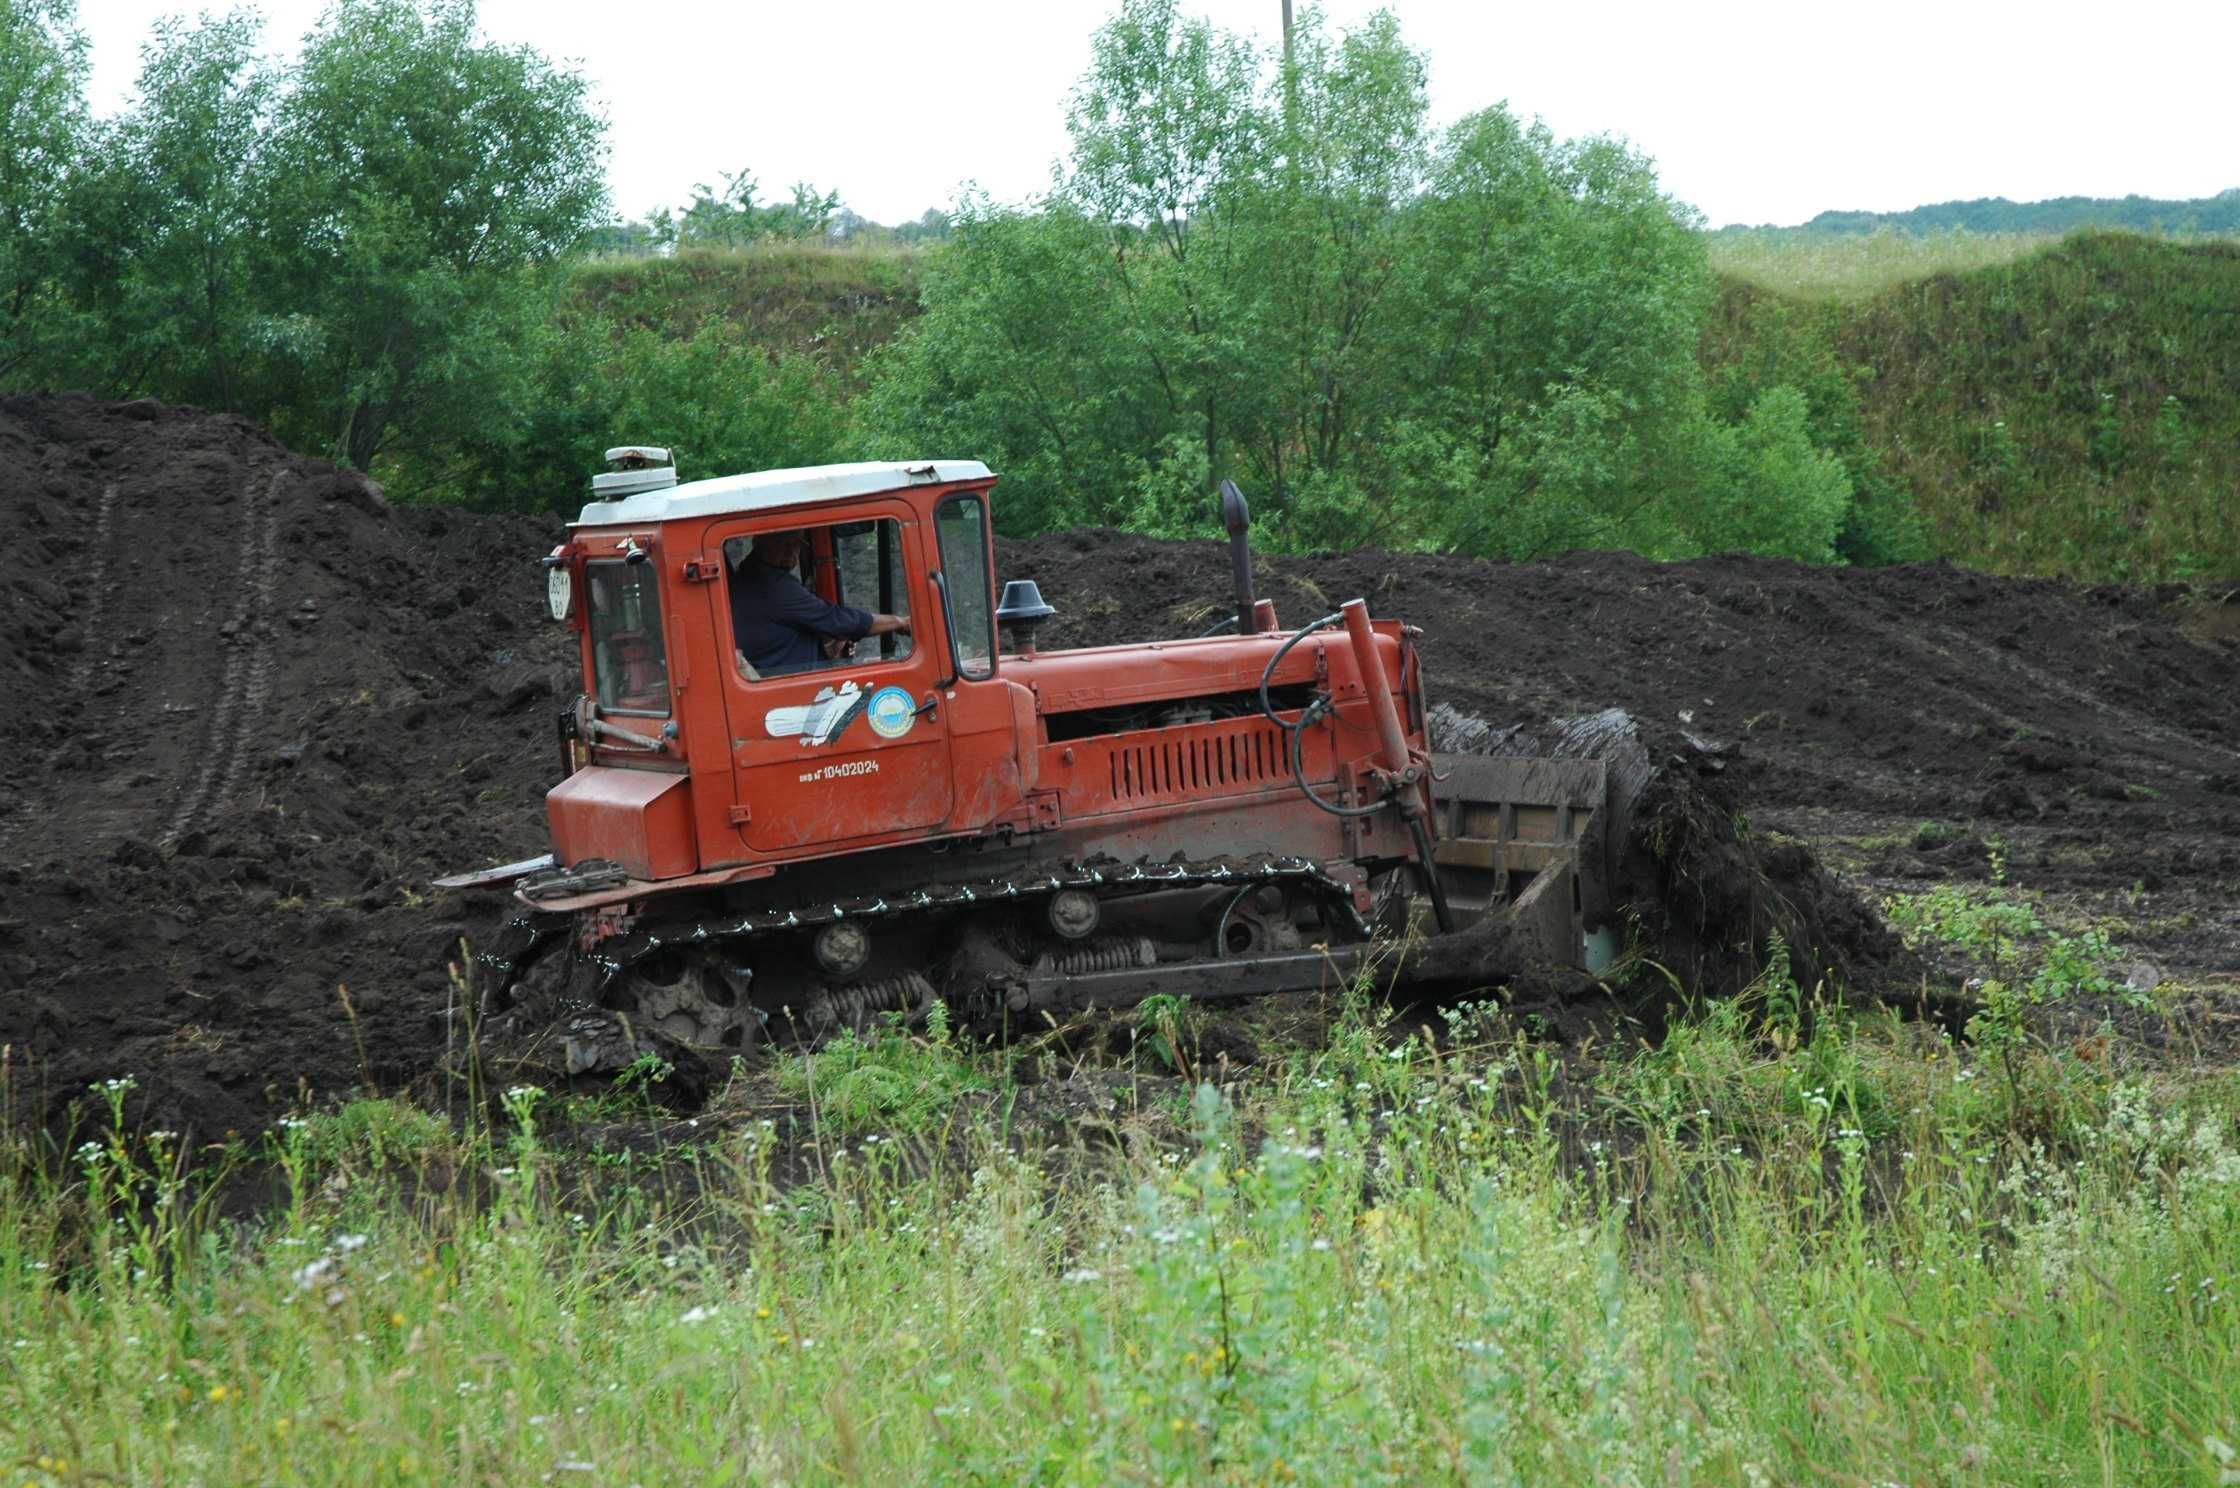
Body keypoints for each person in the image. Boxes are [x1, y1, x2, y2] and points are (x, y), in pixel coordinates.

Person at [729, 529, 910, 678]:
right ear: (760, 541)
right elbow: (836, 620)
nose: (791, 552)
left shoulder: (749, 576)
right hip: (792, 692)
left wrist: (828, 649)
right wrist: (899, 622)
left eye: (797, 545)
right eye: (784, 544)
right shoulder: (771, 584)